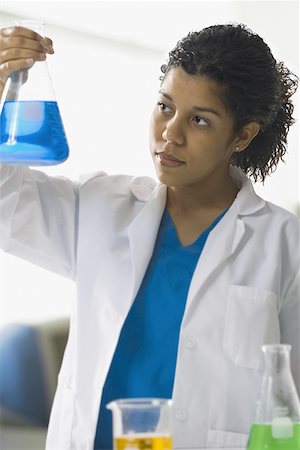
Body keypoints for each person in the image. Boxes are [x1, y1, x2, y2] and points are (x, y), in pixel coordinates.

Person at [0, 22, 299, 450]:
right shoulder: (101, 207)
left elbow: (292, 399)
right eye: (165, 107)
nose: (170, 134)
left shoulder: (284, 243)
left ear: (243, 135)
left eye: (199, 120)